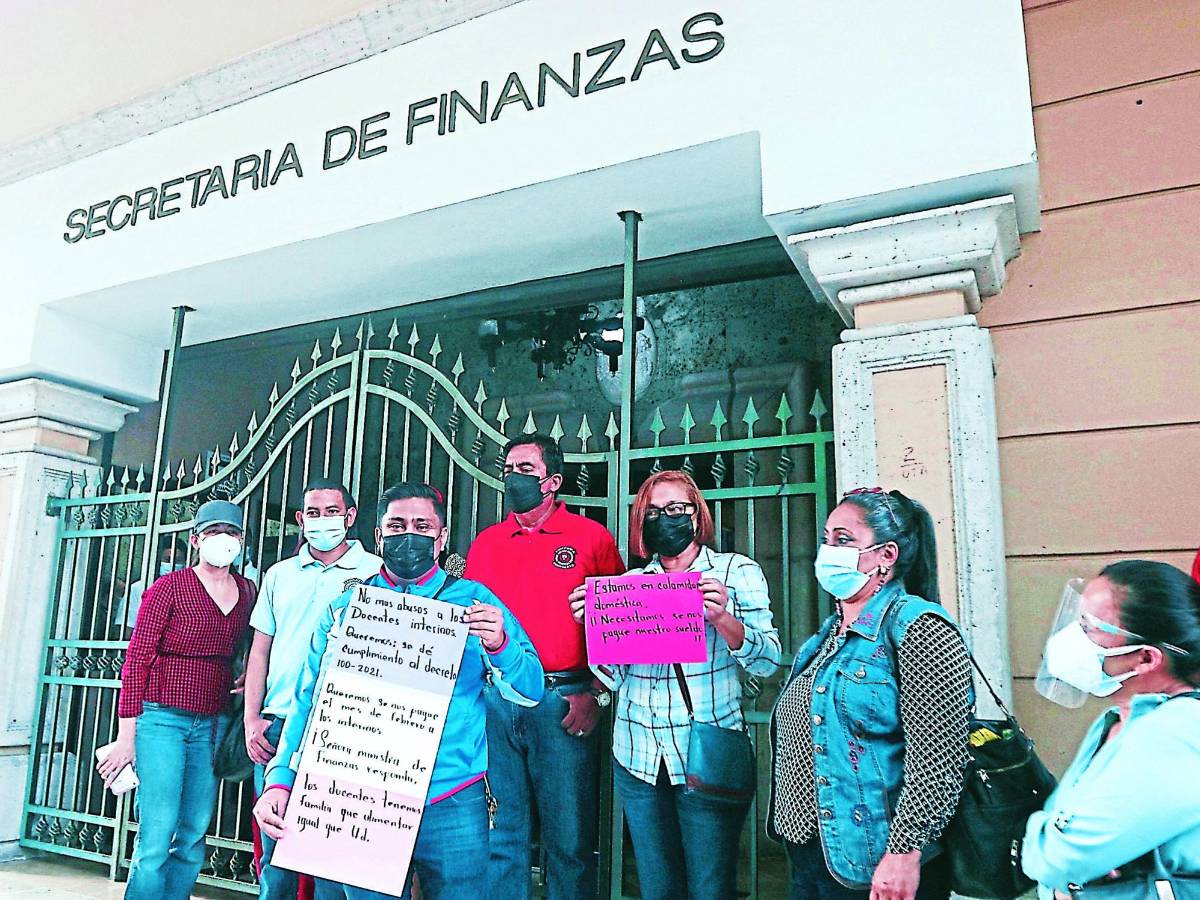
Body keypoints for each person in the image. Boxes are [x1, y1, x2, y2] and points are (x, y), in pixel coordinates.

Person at [252, 482, 545, 900]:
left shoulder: (475, 603)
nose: (409, 535)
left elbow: (530, 691)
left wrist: (500, 645)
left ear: (441, 538)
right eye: (397, 526)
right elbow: (308, 701)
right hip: (359, 797)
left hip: (452, 797)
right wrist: (281, 779)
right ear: (379, 536)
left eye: (422, 526)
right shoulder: (345, 609)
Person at [568, 469, 781, 900]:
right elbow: (613, 676)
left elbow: (767, 661)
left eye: (676, 508)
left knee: (709, 887)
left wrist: (722, 618)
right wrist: (595, 628)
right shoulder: (629, 587)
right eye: (652, 512)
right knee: (657, 886)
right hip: (638, 757)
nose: (664, 518)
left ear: (696, 515)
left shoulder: (735, 571)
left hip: (703, 755)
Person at [768, 487, 971, 900]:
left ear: (886, 555)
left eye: (843, 540)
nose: (828, 551)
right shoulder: (827, 636)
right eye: (826, 539)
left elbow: (939, 758)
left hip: (879, 862)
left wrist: (904, 851)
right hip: (815, 855)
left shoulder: (920, 627)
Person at [465, 434, 624, 900]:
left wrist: (597, 692)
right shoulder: (487, 543)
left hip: (563, 701)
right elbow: (470, 623)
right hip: (495, 701)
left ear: (552, 481)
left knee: (569, 838)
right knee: (501, 833)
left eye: (525, 470)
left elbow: (622, 621)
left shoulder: (591, 538)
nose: (513, 478)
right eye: (508, 469)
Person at [98, 499, 257, 900]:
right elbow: (137, 661)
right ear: (196, 540)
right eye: (213, 532)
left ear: (241, 540)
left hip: (213, 721)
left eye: (232, 533)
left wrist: (247, 675)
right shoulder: (167, 589)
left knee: (193, 830)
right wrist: (127, 737)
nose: (223, 540)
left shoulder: (247, 592)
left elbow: (250, 645)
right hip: (161, 719)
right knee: (157, 831)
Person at [1022, 560, 1200, 897]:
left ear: (1146, 658)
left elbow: (1057, 861)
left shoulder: (1176, 732)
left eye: (1089, 627)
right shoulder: (1117, 719)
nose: (1071, 637)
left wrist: (1045, 836)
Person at [243, 477, 382, 900]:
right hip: (279, 723)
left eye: (332, 512)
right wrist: (251, 719)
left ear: (350, 517)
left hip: (345, 728)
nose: (323, 521)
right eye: (314, 514)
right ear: (301, 520)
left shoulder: (375, 572)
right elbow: (260, 652)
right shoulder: (279, 575)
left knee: (332, 857)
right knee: (275, 852)